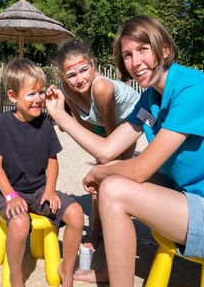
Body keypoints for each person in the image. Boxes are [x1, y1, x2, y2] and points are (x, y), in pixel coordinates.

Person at [45, 15, 204, 285]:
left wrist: (101, 172)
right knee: (113, 180)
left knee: (113, 188)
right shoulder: (150, 99)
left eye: (143, 50)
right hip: (192, 197)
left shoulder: (192, 90)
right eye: (127, 55)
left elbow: (140, 168)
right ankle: (114, 269)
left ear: (165, 49)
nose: (135, 62)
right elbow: (108, 148)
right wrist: (60, 115)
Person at [0, 58, 84, 287]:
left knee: (77, 214)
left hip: (39, 189)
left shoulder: (45, 125)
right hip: (8, 190)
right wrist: (10, 196)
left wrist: (50, 189)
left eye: (40, 93)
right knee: (19, 224)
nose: (38, 99)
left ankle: (66, 269)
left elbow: (52, 161)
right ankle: (16, 275)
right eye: (31, 94)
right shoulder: (2, 124)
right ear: (13, 96)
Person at [55, 39, 140, 250]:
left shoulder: (101, 87)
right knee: (103, 171)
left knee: (109, 171)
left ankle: (102, 230)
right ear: (63, 77)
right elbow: (84, 126)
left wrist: (105, 165)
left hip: (133, 117)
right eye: (72, 75)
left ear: (93, 65)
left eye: (84, 70)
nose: (79, 79)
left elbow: (111, 139)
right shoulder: (67, 90)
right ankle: (97, 229)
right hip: (104, 122)